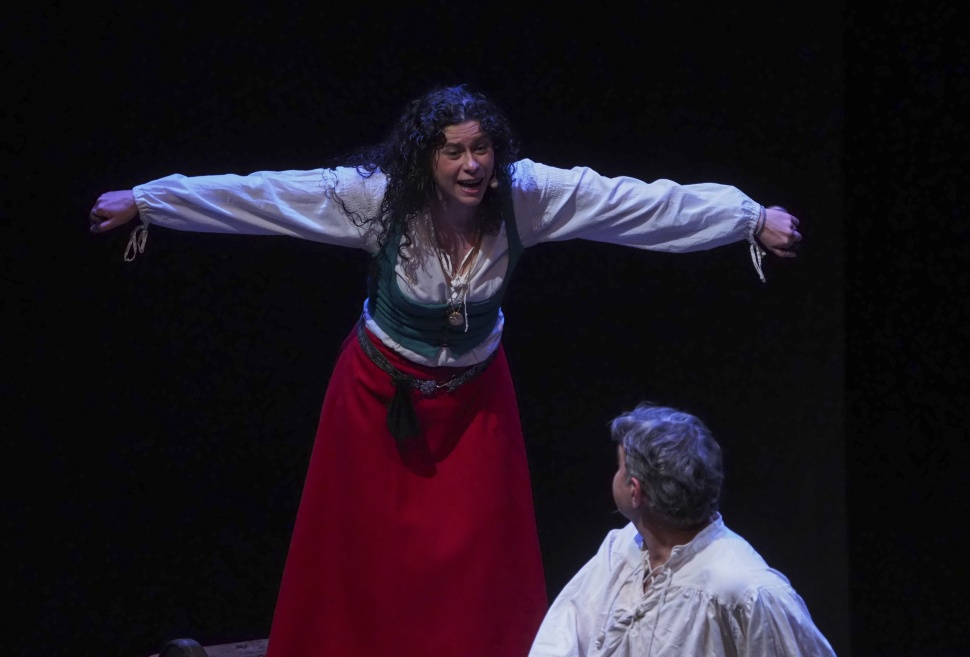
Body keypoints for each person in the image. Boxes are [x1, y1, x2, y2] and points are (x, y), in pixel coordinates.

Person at [88, 86, 802, 657]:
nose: (471, 165)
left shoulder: (526, 195)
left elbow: (635, 201)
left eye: (481, 148)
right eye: (453, 150)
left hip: (474, 404)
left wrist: (746, 218)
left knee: (479, 567)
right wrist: (148, 201)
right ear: (424, 157)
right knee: (361, 562)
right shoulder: (376, 199)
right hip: (376, 396)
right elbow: (263, 195)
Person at [528, 403, 834, 657]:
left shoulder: (744, 589)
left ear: (635, 490)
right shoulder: (621, 549)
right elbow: (560, 638)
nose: (615, 475)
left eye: (619, 467)